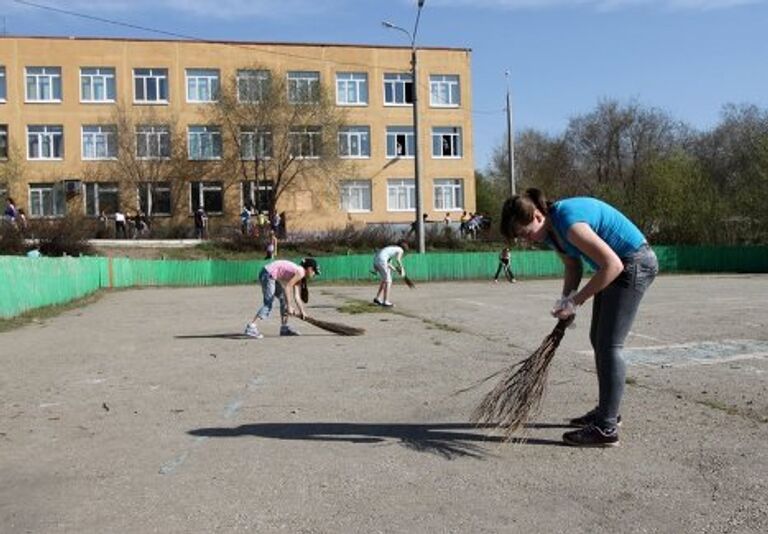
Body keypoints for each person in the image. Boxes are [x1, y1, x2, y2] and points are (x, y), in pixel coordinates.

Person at [500, 188, 658, 448]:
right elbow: (574, 266)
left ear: (538, 215)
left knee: (609, 344)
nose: (527, 241)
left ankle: (606, 428)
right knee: (599, 340)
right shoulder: (552, 234)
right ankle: (607, 411)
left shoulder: (568, 221)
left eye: (526, 233)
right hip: (618, 266)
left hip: (634, 264)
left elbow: (613, 265)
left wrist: (576, 301)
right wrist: (566, 302)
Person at [244, 257, 320, 338]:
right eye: (315, 272)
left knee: (283, 299)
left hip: (269, 275)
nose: (314, 274)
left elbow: (297, 296)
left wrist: (302, 312)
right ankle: (251, 327)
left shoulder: (300, 274)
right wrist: (289, 306)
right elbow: (288, 287)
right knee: (269, 303)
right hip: (268, 274)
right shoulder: (300, 272)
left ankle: (284, 328)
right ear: (309, 269)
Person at [372, 241, 408, 307]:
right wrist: (402, 269)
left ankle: (377, 298)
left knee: (384, 280)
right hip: (381, 260)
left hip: (376, 260)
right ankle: (386, 301)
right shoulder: (400, 250)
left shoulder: (390, 250)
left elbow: (388, 264)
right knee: (389, 281)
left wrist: (396, 270)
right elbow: (398, 260)